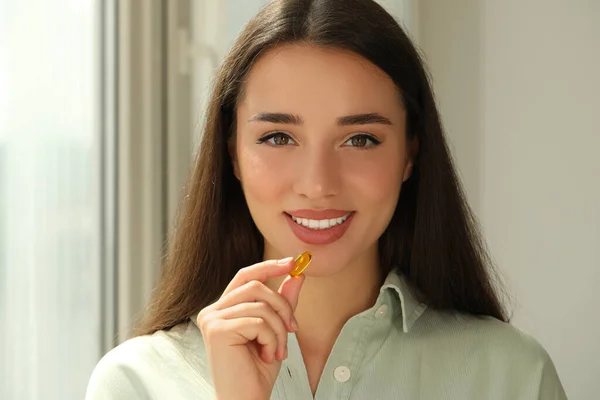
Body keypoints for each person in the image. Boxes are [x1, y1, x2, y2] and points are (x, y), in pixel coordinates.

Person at [85, 0, 567, 399]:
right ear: (231, 152)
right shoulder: (134, 384)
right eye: (278, 137)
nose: (318, 185)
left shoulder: (513, 378)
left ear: (410, 154)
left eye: (360, 139)